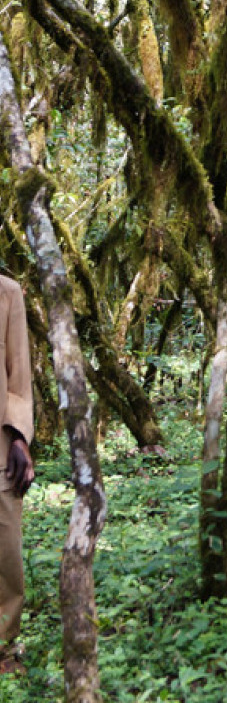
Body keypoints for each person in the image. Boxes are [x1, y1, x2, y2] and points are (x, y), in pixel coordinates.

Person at [0, 275, 35, 675]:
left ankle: (4, 653)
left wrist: (19, 436)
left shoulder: (8, 293)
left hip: (1, 448)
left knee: (6, 556)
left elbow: (20, 375)